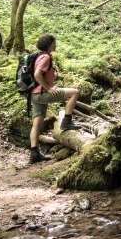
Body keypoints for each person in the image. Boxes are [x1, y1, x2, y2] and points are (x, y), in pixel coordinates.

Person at [29, 33, 80, 164]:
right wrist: (48, 88)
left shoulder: (38, 56)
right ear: (49, 44)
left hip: (35, 95)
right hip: (42, 94)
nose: (55, 45)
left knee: (37, 124)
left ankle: (34, 153)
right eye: (54, 43)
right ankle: (67, 121)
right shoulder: (45, 57)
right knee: (74, 92)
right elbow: (37, 75)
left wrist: (49, 86)